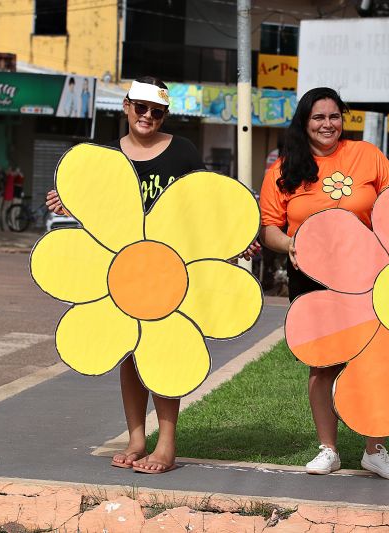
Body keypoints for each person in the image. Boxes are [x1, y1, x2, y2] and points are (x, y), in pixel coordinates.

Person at [46, 76, 261, 474]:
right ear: (126, 107)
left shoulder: (182, 151)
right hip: (124, 272)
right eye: (141, 108)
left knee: (166, 349)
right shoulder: (108, 156)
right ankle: (135, 438)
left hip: (171, 270)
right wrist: (69, 200)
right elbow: (96, 212)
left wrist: (234, 240)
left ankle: (166, 443)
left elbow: (206, 203)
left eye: (157, 111)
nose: (148, 117)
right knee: (130, 353)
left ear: (165, 114)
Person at [259, 87, 389, 481]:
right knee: (322, 362)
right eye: (318, 118)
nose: (327, 124)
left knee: (371, 360)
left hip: (368, 275)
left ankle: (374, 450)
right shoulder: (283, 169)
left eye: (333, 116)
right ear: (304, 122)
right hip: (311, 277)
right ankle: (328, 449)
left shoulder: (367, 156)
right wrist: (291, 244)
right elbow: (270, 227)